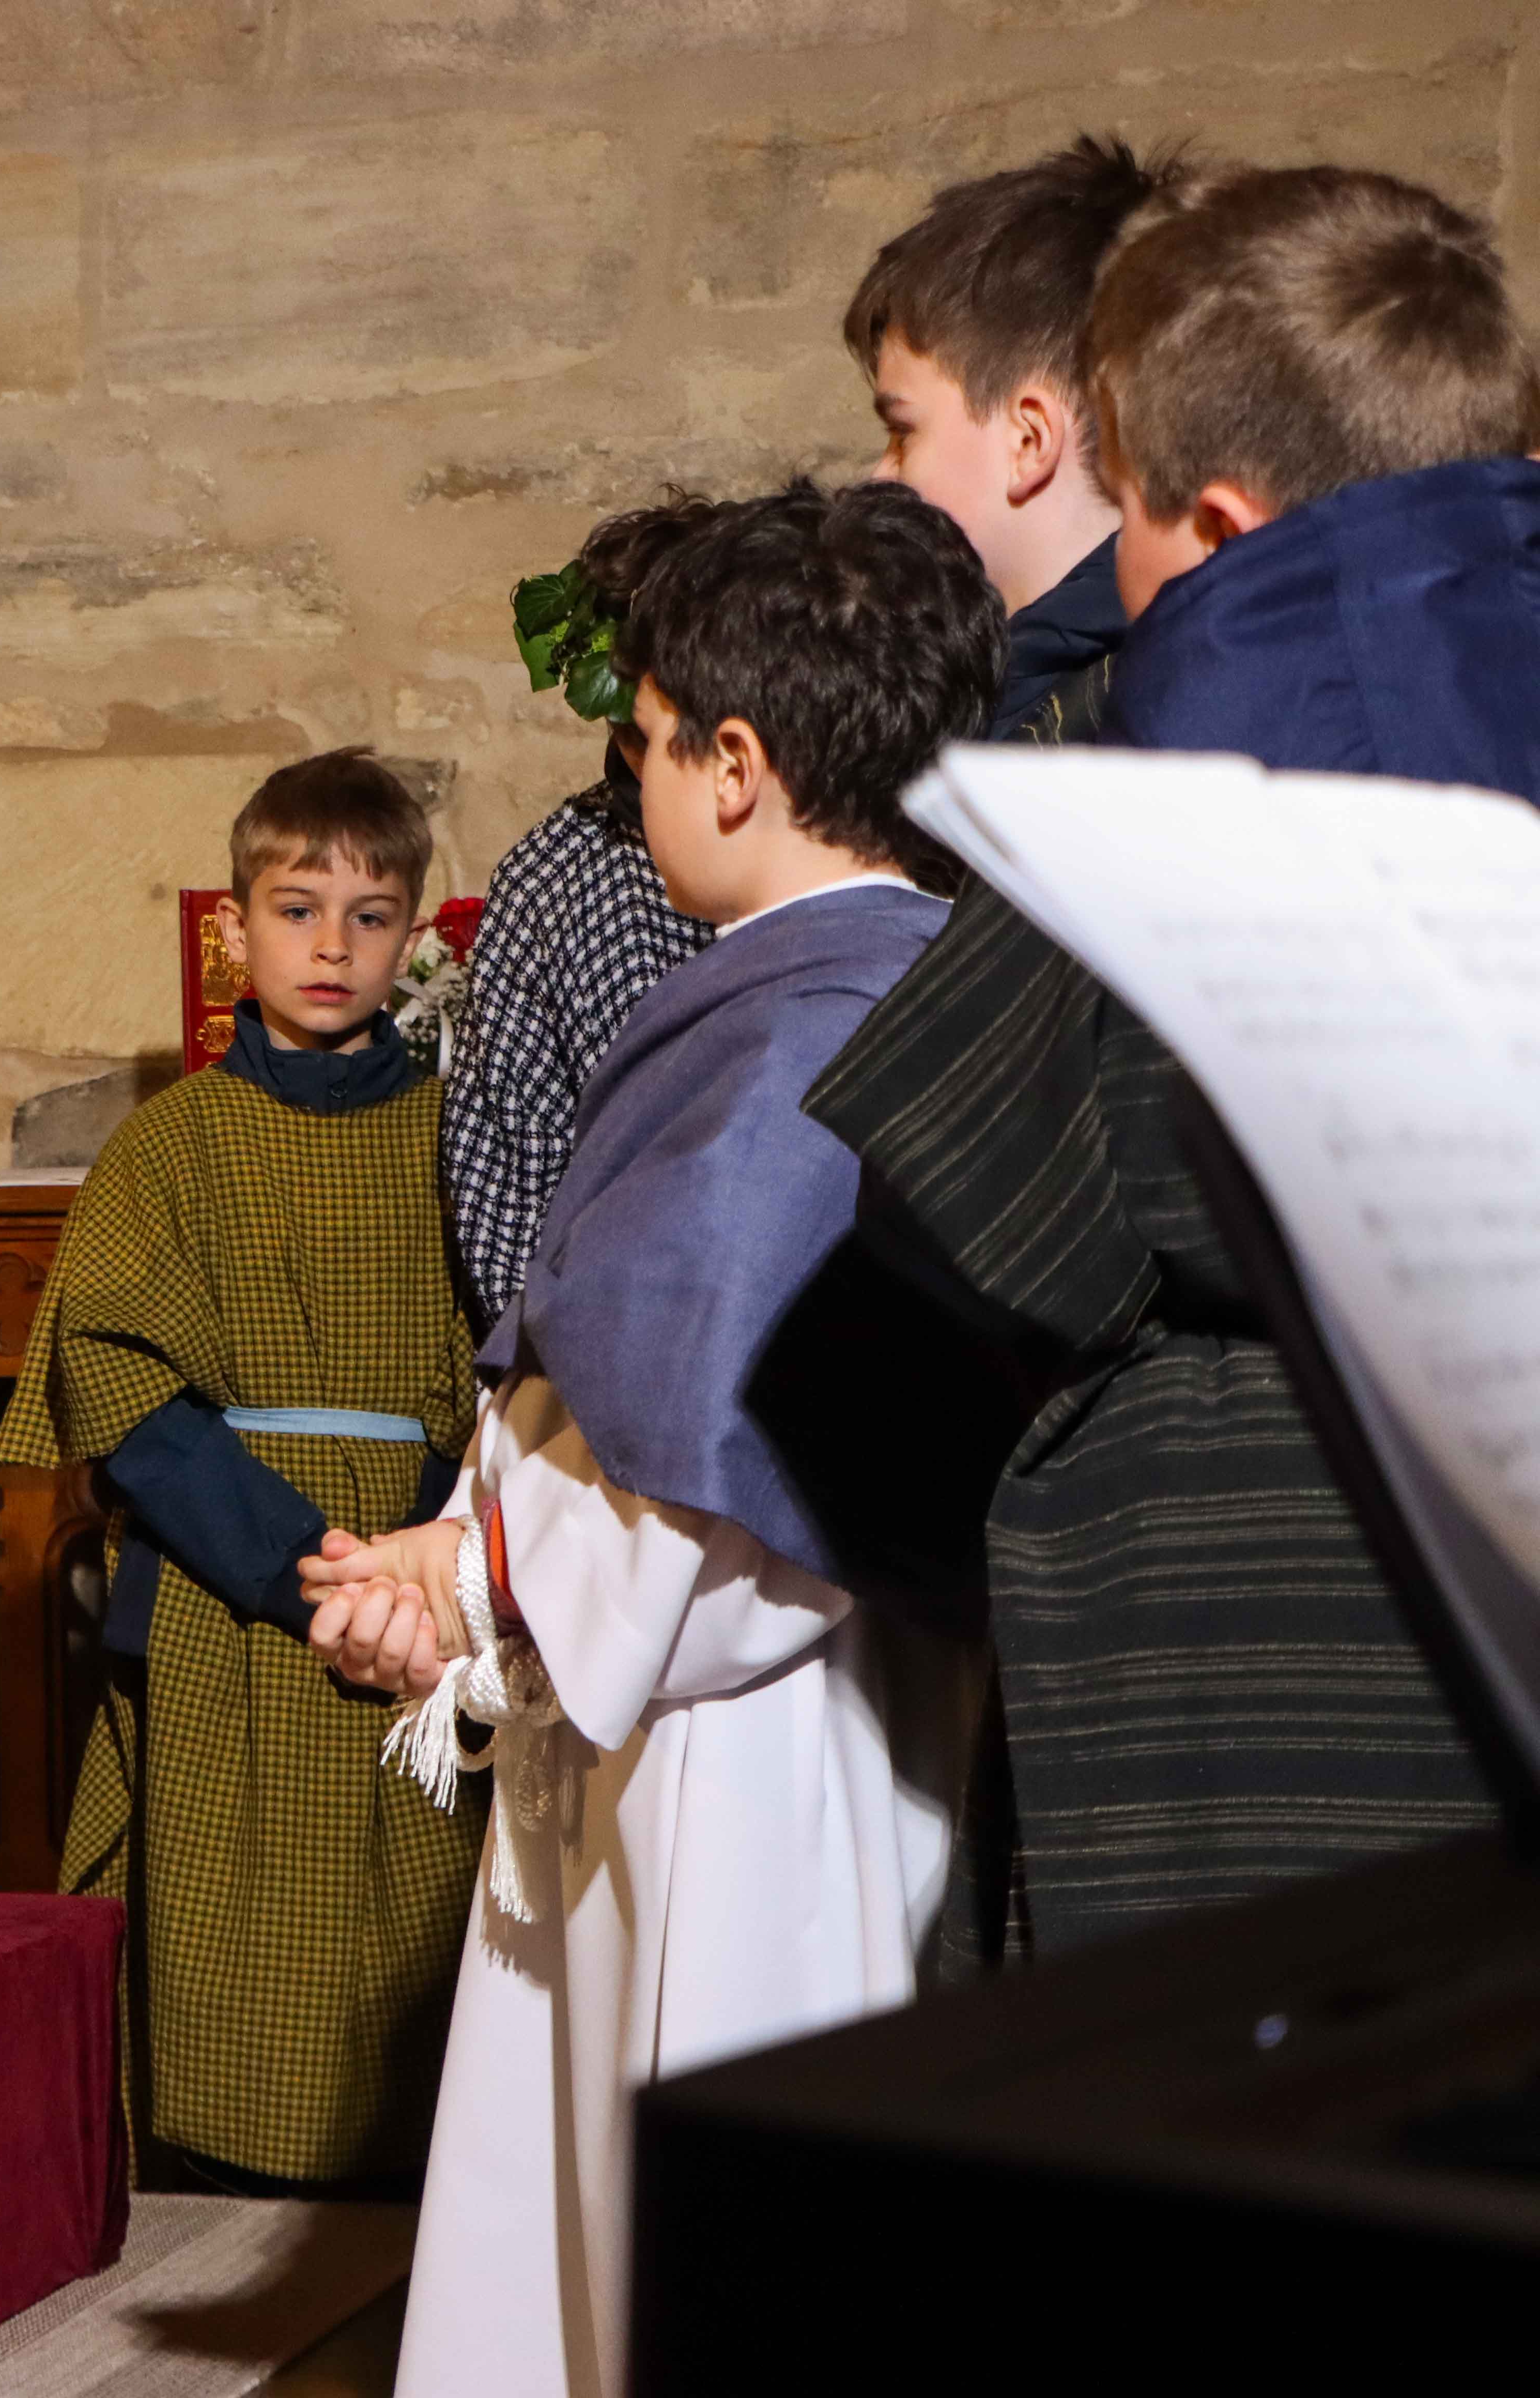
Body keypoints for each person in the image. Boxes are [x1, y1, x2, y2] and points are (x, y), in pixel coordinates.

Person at [318, 481, 1005, 2398]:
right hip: (790, 1689)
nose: (627, 786)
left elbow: (709, 1481)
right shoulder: (892, 983)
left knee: (692, 2224)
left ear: (736, 763)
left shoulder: (795, 1041)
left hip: (742, 1739)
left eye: (641, 745)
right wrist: (471, 1550)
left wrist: (468, 1580)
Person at [807, 165, 1540, 1958]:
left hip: (1224, 1644)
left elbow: (937, 1264)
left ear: (1213, 526)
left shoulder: (1128, 770)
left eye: (1126, 510)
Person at [0, 750, 478, 2192]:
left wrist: (416, 1556)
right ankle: (218, 2175)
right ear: (234, 930)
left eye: (370, 917)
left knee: (411, 1891)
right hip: (225, 1584)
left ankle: (410, 2178)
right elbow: (125, 1389)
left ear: (413, 935)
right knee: (228, 1894)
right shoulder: (168, 1145)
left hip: (419, 1585)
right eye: (296, 909)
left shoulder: (458, 1139)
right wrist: (302, 1563)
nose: (332, 948)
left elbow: (505, 1362)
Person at [440, 501, 720, 1334]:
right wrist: (564, 1348)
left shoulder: (823, 839)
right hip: (608, 1327)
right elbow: (504, 1165)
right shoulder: (554, 876)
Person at [848, 134, 1172, 739]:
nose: (879, 476)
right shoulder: (1007, 695)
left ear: (1029, 440)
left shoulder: (1145, 726)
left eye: (903, 432)